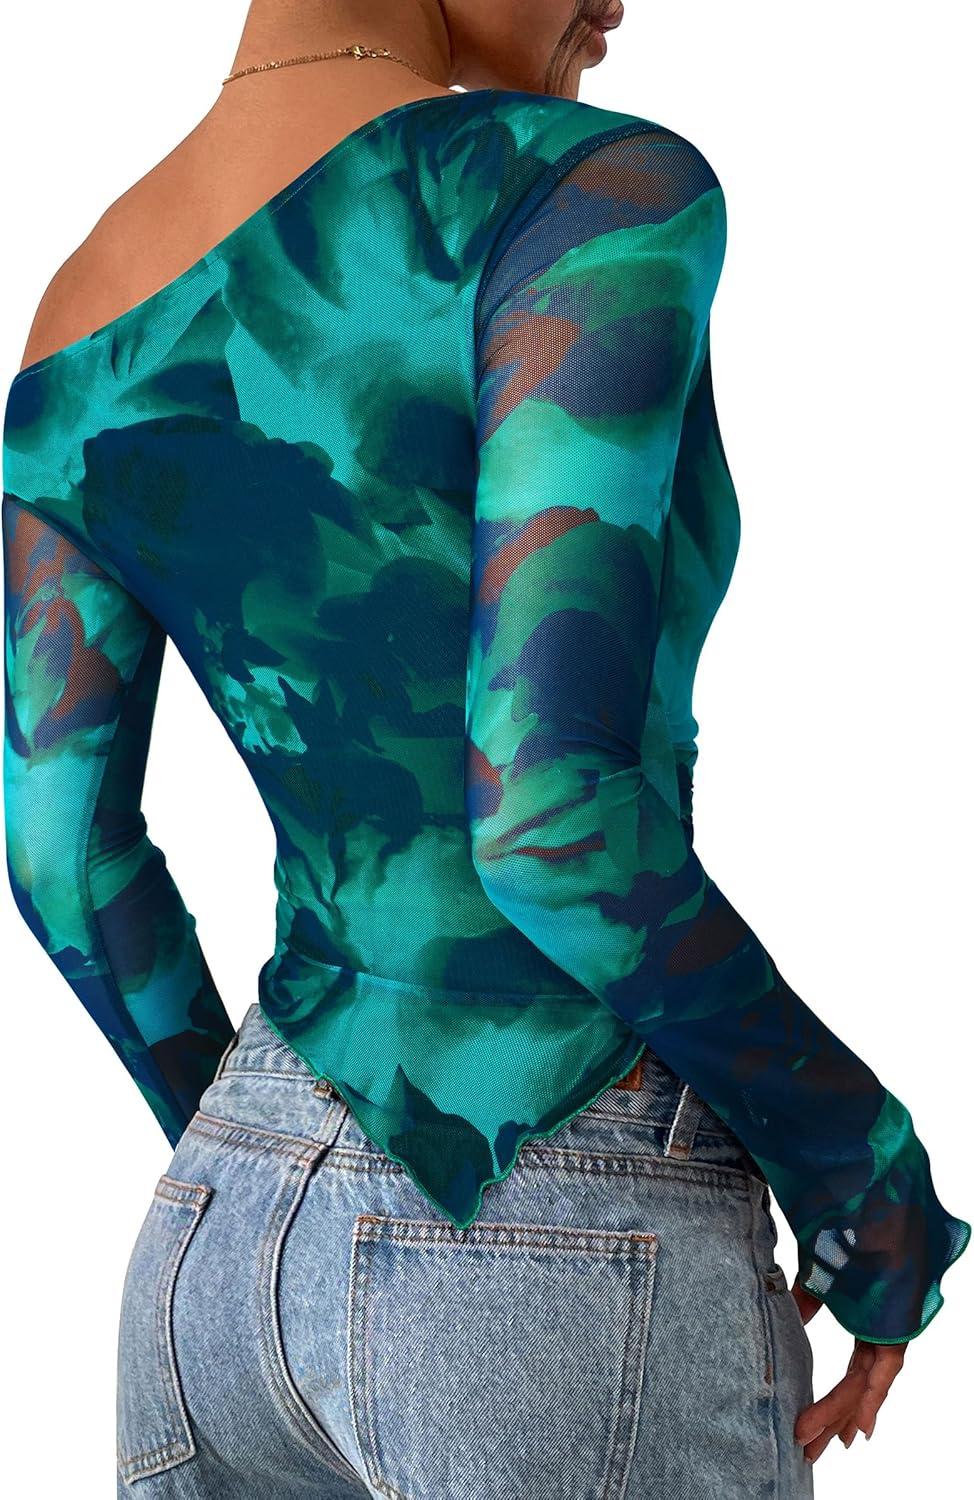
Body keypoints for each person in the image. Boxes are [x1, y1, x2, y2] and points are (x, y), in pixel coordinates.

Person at [2, 2, 968, 1495]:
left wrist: (258, 1150)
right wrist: (866, 1184)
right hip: (549, 1231)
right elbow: (548, 821)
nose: (615, 2)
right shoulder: (577, 193)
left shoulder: (75, 317)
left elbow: (64, 861)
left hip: (211, 1259)